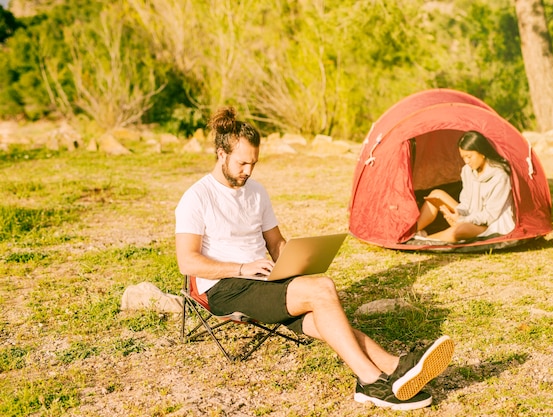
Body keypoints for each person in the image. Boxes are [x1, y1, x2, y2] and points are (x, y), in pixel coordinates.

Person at [175, 106, 455, 410]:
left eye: (253, 163)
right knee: (322, 290)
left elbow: (276, 242)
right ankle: (372, 382)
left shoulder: (256, 192)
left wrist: (295, 261)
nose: (249, 171)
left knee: (323, 315)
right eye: (242, 163)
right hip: (226, 288)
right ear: (221, 154)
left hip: (263, 280)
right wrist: (242, 267)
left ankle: (394, 366)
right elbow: (187, 262)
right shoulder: (197, 197)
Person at [415, 130, 515, 243]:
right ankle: (410, 234)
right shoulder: (467, 170)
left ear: (482, 152)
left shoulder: (500, 176)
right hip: (470, 217)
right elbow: (466, 202)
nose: (466, 161)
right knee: (436, 194)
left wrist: (463, 220)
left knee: (458, 230)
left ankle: (423, 241)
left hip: (490, 225)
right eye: (463, 158)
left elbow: (490, 215)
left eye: (469, 156)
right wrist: (458, 213)